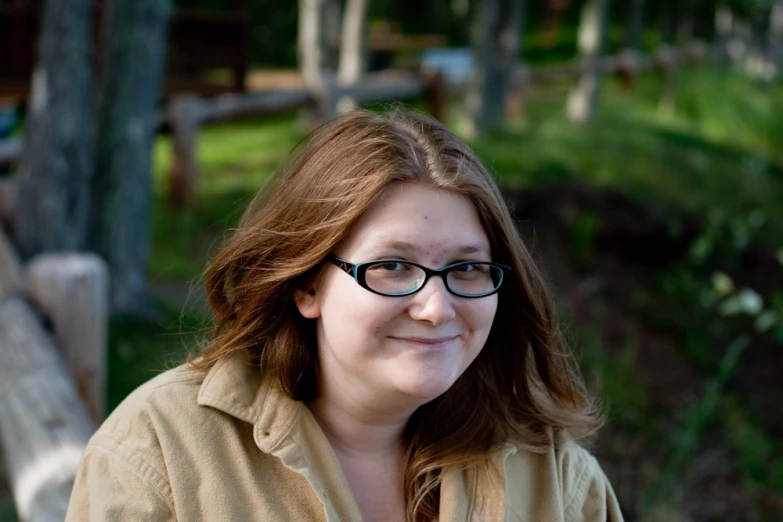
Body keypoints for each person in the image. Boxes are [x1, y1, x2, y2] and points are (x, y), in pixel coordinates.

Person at [66, 108, 623, 521]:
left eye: (467, 269)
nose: (436, 307)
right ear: (307, 284)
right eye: (393, 266)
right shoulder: (160, 451)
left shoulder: (555, 479)